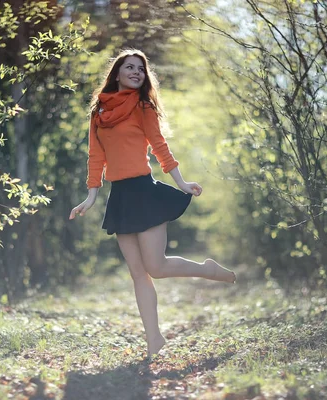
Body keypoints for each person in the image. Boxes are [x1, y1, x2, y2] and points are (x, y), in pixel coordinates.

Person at [69, 49, 236, 358]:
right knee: (138, 273)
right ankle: (153, 339)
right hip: (119, 197)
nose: (136, 72)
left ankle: (206, 270)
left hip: (145, 193)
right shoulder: (99, 113)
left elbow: (159, 146)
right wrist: (90, 197)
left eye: (141, 69)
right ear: (116, 73)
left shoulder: (142, 106)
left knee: (155, 268)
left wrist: (182, 183)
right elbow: (96, 157)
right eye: (129, 67)